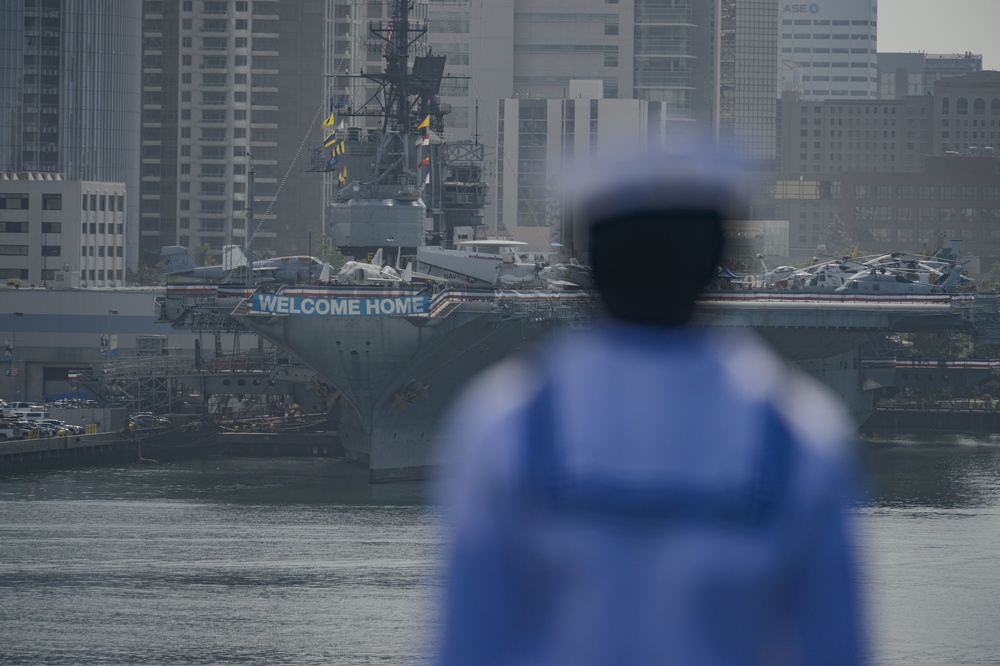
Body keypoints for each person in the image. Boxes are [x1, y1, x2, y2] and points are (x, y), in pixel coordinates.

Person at [433, 150, 868, 665]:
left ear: (591, 266)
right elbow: (838, 647)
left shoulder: (503, 425)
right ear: (714, 267)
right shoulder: (804, 435)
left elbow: (465, 643)